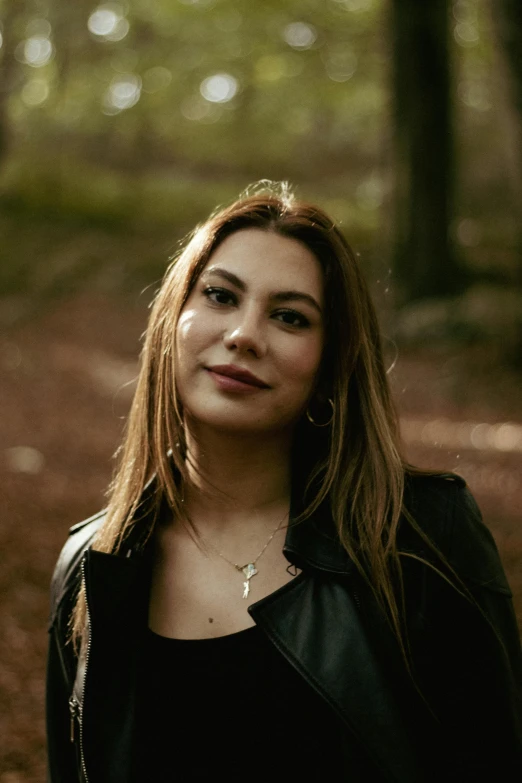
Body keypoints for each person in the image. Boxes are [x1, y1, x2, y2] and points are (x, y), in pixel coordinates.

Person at [46, 183, 522, 782]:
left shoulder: (422, 539)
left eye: (290, 317)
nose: (245, 335)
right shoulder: (94, 565)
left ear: (329, 364)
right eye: (220, 295)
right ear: (171, 323)